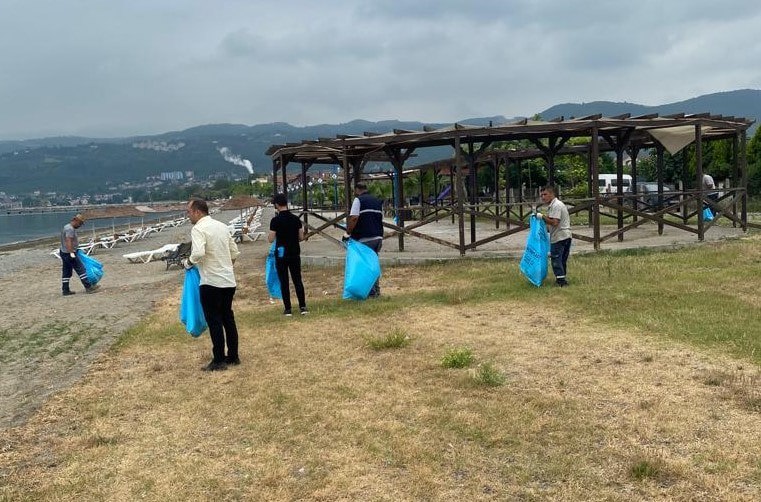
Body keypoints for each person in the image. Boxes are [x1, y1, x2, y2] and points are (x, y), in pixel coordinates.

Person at [182, 198, 241, 371]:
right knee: (227, 318)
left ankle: (219, 360)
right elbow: (234, 252)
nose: (188, 215)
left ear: (198, 212)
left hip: (210, 282)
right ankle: (233, 356)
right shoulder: (222, 227)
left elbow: (199, 252)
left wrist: (188, 262)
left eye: (189, 212)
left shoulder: (198, 228)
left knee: (214, 320)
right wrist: (225, 266)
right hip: (228, 280)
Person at [268, 193, 308, 316]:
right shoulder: (295, 219)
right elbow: (301, 237)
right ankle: (303, 307)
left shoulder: (275, 220)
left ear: (276, 205)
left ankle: (288, 309)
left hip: (281, 254)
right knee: (297, 280)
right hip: (295, 252)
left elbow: (271, 239)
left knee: (284, 281)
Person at [344, 182, 384, 297]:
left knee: (365, 266)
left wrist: (348, 232)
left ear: (357, 190)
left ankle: (370, 292)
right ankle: (377, 291)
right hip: (378, 237)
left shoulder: (358, 200)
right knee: (373, 264)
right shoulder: (377, 201)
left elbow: (354, 217)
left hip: (365, 237)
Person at [536, 186, 572, 287]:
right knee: (562, 259)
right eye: (541, 195)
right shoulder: (555, 205)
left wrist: (542, 216)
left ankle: (561, 282)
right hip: (566, 235)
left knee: (556, 259)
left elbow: (554, 222)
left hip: (559, 236)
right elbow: (551, 225)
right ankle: (562, 278)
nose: (543, 197)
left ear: (552, 194)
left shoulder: (556, 205)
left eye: (545, 194)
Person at [59, 213, 99, 296]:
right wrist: (71, 253)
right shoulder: (70, 229)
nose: (80, 225)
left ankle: (65, 290)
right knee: (81, 269)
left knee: (66, 271)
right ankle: (88, 287)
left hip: (63, 252)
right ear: (75, 220)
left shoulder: (66, 227)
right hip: (69, 253)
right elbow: (68, 241)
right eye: (80, 223)